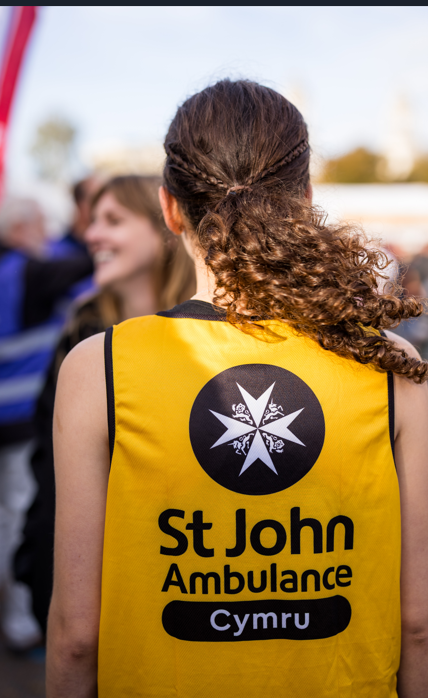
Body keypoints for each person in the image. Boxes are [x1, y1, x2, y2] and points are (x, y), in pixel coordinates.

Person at [46, 81, 428, 698]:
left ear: (170, 208)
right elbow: (417, 623)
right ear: (304, 199)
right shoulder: (388, 361)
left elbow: (74, 635)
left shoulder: (101, 366)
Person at [15, 174, 196, 636]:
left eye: (113, 220)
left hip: (183, 585)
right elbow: (48, 473)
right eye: (92, 220)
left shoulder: (207, 343)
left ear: (166, 224)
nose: (92, 234)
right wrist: (38, 574)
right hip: (89, 602)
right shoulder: (80, 337)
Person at [0, 196, 93, 651]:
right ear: (17, 230)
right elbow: (84, 262)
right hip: (15, 420)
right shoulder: (29, 272)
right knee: (18, 516)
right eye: (38, 223)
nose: (45, 233)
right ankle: (20, 622)